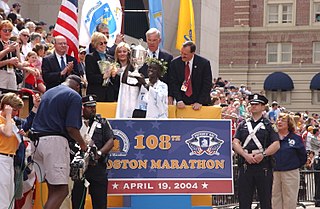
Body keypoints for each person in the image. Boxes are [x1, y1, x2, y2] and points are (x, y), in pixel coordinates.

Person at [31, 75, 87, 209]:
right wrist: (83, 144)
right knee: (62, 191)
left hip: (37, 142)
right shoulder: (73, 95)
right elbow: (71, 128)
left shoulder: (48, 92)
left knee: (53, 190)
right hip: (54, 142)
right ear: (78, 86)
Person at [232, 93, 280, 209]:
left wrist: (263, 155)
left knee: (265, 200)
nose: (253, 106)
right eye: (252, 104)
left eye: (257, 104)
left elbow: (276, 144)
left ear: (263, 107)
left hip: (263, 166)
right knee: (244, 200)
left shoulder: (269, 125)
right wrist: (244, 154)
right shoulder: (243, 124)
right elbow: (235, 142)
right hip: (246, 165)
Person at [71, 94, 114, 209]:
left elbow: (110, 141)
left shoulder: (102, 122)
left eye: (94, 106)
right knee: (77, 202)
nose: (93, 109)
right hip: (79, 167)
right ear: (82, 108)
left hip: (97, 166)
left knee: (100, 203)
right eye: (89, 107)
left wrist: (99, 153)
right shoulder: (75, 123)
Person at [272, 112, 307, 209]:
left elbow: (302, 156)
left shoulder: (296, 138)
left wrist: (293, 165)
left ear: (289, 124)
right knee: (274, 198)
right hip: (274, 172)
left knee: (290, 199)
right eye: (278, 120)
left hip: (290, 172)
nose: (280, 122)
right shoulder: (272, 137)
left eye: (283, 120)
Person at [170, 41, 212, 110]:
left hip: (200, 104)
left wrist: (199, 102)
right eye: (181, 53)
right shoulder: (175, 63)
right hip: (182, 103)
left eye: (185, 54)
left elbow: (207, 84)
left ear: (193, 53)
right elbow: (173, 83)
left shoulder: (204, 63)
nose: (182, 56)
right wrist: (179, 100)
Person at [0, 92, 24, 209]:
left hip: (10, 158)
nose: (16, 113)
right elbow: (7, 133)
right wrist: (8, 115)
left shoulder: (11, 121)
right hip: (1, 158)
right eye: (14, 110)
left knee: (10, 193)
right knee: (3, 193)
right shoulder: (3, 119)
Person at [139, 28, 173, 103]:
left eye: (154, 40)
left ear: (159, 40)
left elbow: (171, 78)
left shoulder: (167, 57)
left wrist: (170, 96)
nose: (151, 43)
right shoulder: (140, 55)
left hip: (162, 95)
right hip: (143, 94)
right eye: (149, 40)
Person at [85, 32, 116, 102]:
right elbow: (90, 77)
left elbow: (113, 80)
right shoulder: (90, 57)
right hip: (96, 93)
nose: (103, 45)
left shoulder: (110, 58)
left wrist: (114, 75)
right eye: (100, 43)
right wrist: (103, 76)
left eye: (105, 42)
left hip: (109, 94)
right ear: (95, 44)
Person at [115, 42, 140, 118]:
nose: (122, 54)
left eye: (124, 51)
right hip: (117, 101)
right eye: (119, 52)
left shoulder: (134, 67)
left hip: (131, 100)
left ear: (128, 53)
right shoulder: (113, 66)